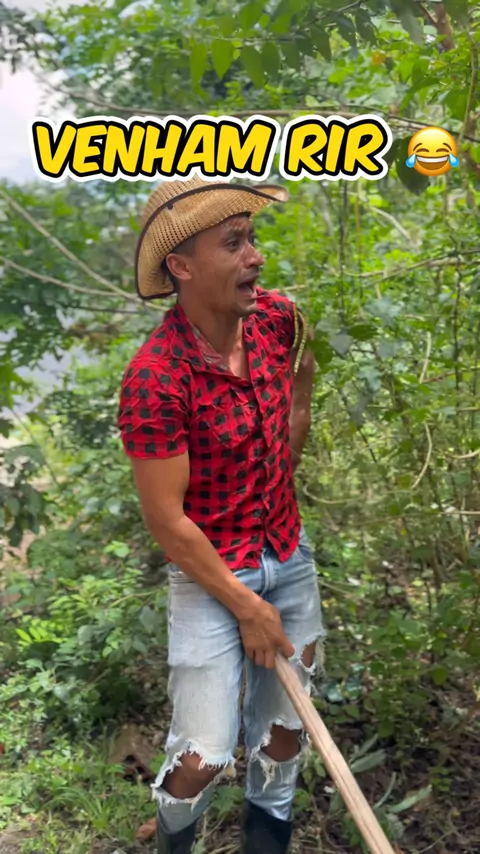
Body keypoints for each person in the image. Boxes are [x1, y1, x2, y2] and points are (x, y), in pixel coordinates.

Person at [118, 175, 325, 854]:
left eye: (252, 238)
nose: (255, 257)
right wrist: (246, 605)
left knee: (284, 734)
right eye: (233, 243)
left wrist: (275, 479)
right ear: (181, 266)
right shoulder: (157, 377)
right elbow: (167, 522)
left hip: (286, 554)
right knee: (203, 755)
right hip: (209, 573)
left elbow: (299, 394)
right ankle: (173, 841)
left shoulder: (278, 320)